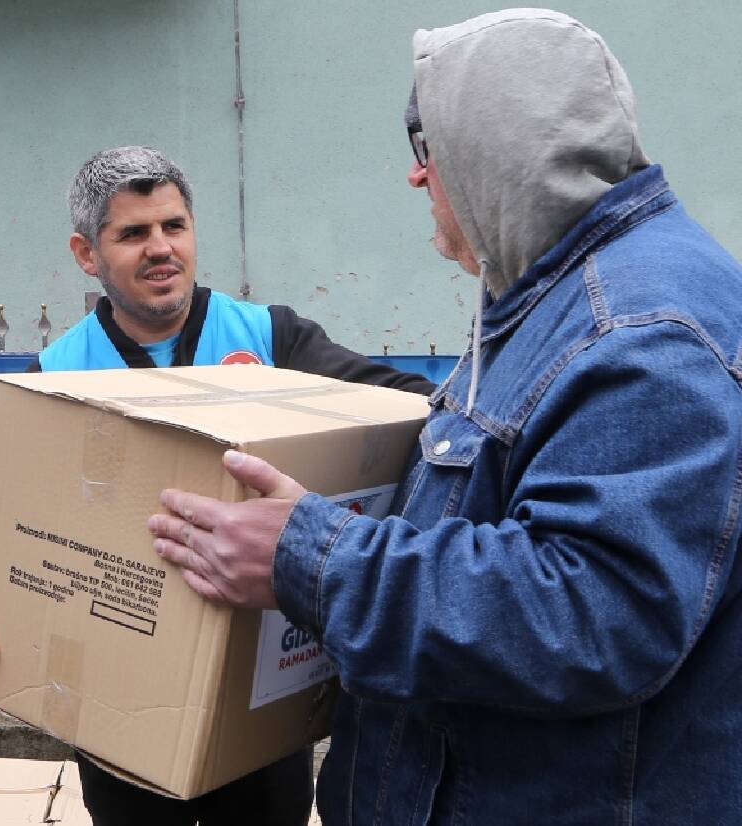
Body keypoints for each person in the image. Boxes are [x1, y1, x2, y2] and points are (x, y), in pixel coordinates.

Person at [146, 9, 742, 824]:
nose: (417, 179)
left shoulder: (637, 331)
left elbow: (591, 612)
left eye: (429, 150)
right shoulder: (555, 297)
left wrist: (315, 559)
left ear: (497, 148)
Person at [34, 145, 433, 826]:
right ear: (85, 252)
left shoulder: (271, 337)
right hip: (123, 704)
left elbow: (411, 405)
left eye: (174, 226)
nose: (162, 248)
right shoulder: (54, 374)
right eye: (133, 233)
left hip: (256, 696)